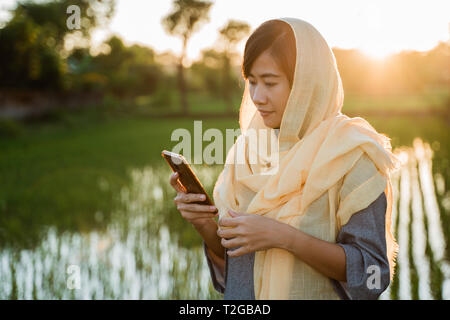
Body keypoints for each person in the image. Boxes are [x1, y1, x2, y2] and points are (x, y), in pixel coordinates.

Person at [169, 17, 401, 300]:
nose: (257, 96)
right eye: (251, 82)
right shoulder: (247, 150)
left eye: (270, 82)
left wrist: (285, 238)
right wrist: (203, 224)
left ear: (306, 82)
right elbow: (239, 262)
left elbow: (373, 274)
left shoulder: (351, 155)